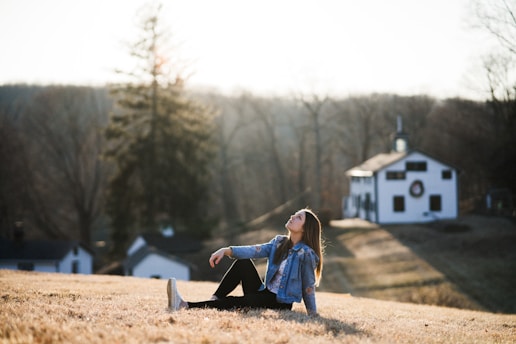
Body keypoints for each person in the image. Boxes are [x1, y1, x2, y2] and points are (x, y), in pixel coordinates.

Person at [167, 208, 324, 316]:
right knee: (243, 263)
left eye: (298, 217)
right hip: (264, 291)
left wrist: (313, 313)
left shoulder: (306, 255)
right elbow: (254, 250)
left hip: (278, 302)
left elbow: (308, 287)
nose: (292, 217)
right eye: (295, 214)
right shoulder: (279, 243)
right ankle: (214, 299)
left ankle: (185, 305)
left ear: (305, 228)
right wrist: (226, 250)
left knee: (240, 302)